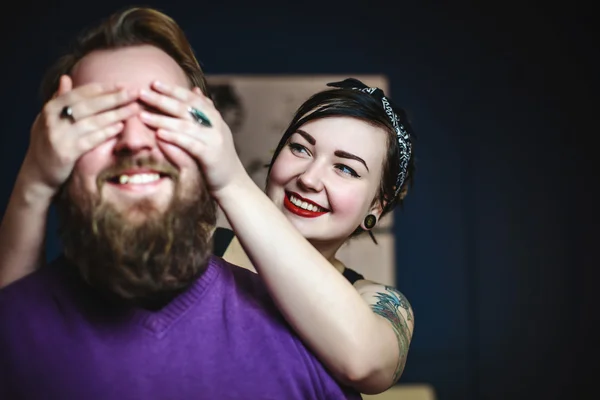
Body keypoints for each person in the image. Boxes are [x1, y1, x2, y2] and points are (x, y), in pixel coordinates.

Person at [0, 9, 417, 399]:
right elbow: (23, 334)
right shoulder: (183, 246)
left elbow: (367, 362)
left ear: (377, 206)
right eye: (300, 149)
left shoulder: (375, 302)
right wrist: (36, 179)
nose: (308, 178)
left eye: (346, 169)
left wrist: (229, 177)